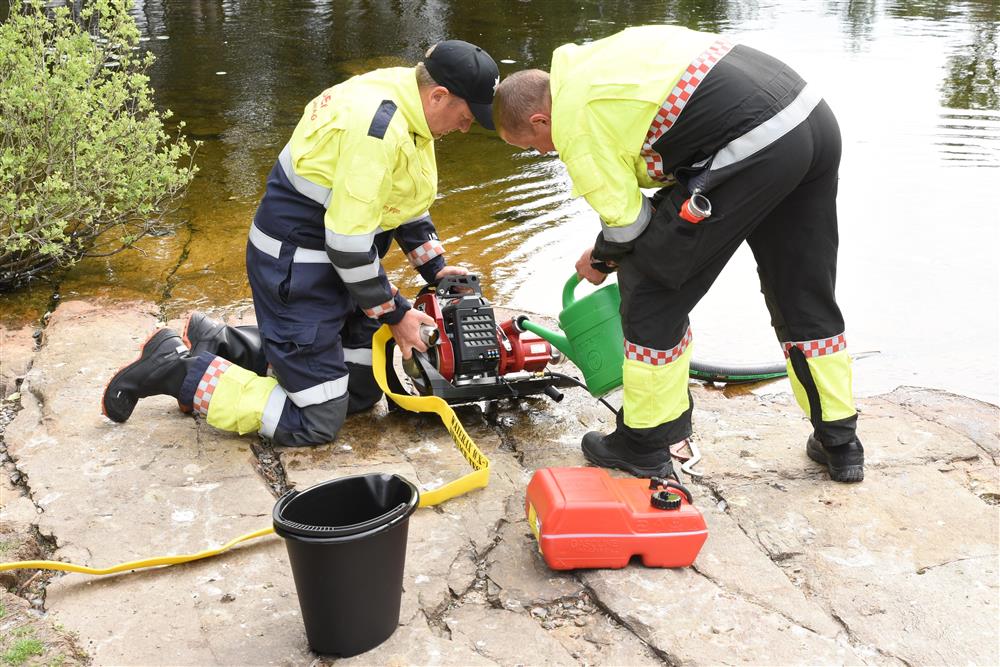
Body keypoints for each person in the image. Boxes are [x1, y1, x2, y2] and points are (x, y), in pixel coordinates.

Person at [492, 25, 863, 483]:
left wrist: (603, 259)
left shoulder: (573, 120)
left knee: (650, 286)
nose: (544, 152)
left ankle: (644, 444)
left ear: (539, 121)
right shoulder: (596, 62)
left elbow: (629, 227)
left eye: (533, 146)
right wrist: (616, 242)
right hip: (809, 118)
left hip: (752, 143)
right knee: (802, 291)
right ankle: (840, 442)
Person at [102, 40, 500, 446]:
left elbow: (402, 201)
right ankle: (179, 370)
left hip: (338, 271)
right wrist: (396, 313)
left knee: (360, 393)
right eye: (467, 116)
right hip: (298, 271)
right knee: (317, 419)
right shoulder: (377, 130)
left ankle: (222, 341)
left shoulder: (408, 101)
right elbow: (347, 246)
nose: (466, 127)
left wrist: (436, 268)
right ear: (439, 95)